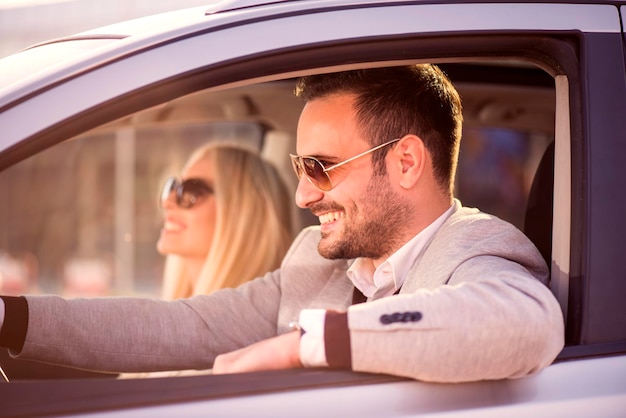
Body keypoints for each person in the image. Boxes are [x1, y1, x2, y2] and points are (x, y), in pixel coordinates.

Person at [0, 64, 564, 383]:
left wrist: (300, 347)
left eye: (320, 168)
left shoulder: (475, 247)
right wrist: (14, 319)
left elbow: (525, 323)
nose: (301, 194)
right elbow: (183, 327)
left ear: (407, 162)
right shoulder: (311, 265)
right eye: (300, 168)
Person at [157, 142, 296, 300]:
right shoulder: (178, 313)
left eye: (191, 191)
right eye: (174, 186)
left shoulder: (245, 321)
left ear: (242, 213)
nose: (167, 201)